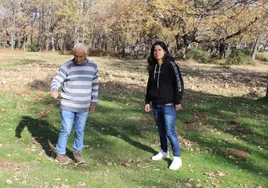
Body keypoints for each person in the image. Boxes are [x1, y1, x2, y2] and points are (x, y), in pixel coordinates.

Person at [50, 43, 99, 164]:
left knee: (79, 130)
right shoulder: (67, 66)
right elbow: (57, 79)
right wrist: (54, 89)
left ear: (86, 55)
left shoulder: (93, 66)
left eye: (80, 56)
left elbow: (95, 85)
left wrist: (94, 101)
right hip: (67, 104)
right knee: (66, 129)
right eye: (75, 56)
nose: (77, 59)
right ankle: (60, 154)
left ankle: (77, 153)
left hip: (83, 105)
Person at [144, 41, 184, 170]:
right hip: (156, 105)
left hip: (168, 105)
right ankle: (163, 151)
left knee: (170, 131)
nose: (157, 52)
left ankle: (177, 157)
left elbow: (179, 84)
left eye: (160, 50)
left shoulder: (171, 65)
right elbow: (150, 85)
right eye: (155, 50)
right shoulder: (153, 66)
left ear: (165, 51)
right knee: (161, 130)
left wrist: (177, 101)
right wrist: (147, 101)